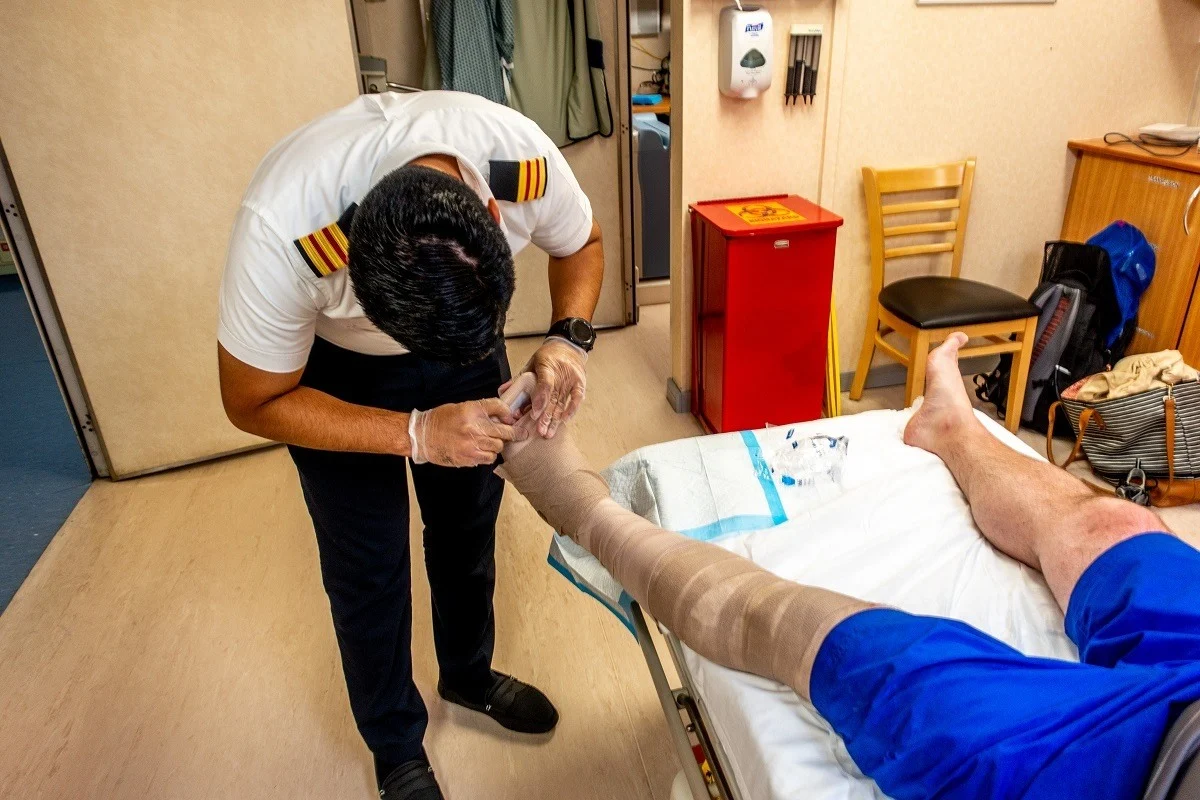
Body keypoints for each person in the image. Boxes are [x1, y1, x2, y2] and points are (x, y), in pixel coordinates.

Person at [498, 332, 1200, 800]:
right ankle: (949, 428)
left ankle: (583, 510)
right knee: (1121, 524)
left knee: (815, 632)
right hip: (1187, 700)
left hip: (1139, 774)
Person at [217, 90, 604, 800]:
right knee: (368, 566)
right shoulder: (287, 229)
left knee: (466, 527)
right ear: (355, 264)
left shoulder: (521, 164)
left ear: (493, 216)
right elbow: (251, 399)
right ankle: (395, 744)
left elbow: (582, 243)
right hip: (337, 372)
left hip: (463, 338)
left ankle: (466, 673)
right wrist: (415, 432)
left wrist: (565, 339)